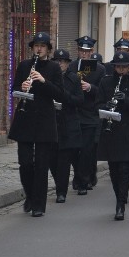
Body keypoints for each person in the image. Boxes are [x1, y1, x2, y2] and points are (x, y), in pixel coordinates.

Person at [8, 32, 64, 217]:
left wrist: (43, 81)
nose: (38, 49)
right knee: (25, 163)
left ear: (48, 49)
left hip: (44, 122)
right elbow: (14, 89)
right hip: (25, 119)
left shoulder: (54, 68)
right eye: (36, 45)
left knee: (41, 164)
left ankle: (39, 205)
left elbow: (59, 94)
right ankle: (30, 195)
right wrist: (22, 87)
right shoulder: (24, 65)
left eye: (42, 46)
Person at [96, 52, 129, 220]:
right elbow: (96, 105)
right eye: (118, 67)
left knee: (125, 169)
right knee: (114, 170)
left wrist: (126, 100)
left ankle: (121, 204)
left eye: (125, 67)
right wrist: (107, 105)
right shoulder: (105, 82)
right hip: (111, 132)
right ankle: (118, 197)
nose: (121, 70)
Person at [70, 36, 106, 196]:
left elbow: (103, 92)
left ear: (92, 52)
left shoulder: (100, 69)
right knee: (73, 150)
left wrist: (90, 87)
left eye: (87, 51)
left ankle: (83, 181)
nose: (84, 54)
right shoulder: (71, 66)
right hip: (74, 113)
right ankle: (80, 175)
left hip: (90, 114)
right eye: (81, 51)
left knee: (86, 150)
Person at [50, 48, 84, 204]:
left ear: (67, 64)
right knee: (52, 160)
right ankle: (59, 184)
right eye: (57, 61)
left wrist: (65, 96)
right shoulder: (48, 78)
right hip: (51, 122)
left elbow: (79, 100)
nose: (59, 64)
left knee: (64, 160)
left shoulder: (74, 79)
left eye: (62, 62)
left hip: (68, 122)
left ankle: (61, 192)